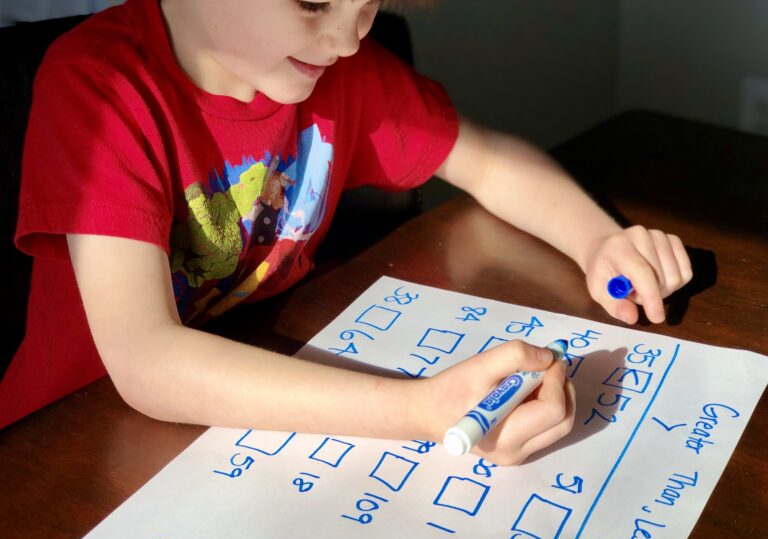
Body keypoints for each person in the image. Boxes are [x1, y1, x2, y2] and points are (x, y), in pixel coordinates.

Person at [2, 0, 692, 464]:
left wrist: (597, 238)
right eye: (311, 1)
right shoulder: (99, 87)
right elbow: (144, 361)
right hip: (66, 451)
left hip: (234, 421)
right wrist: (421, 409)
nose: (348, 37)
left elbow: (484, 158)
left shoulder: (340, 74)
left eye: (367, 3)